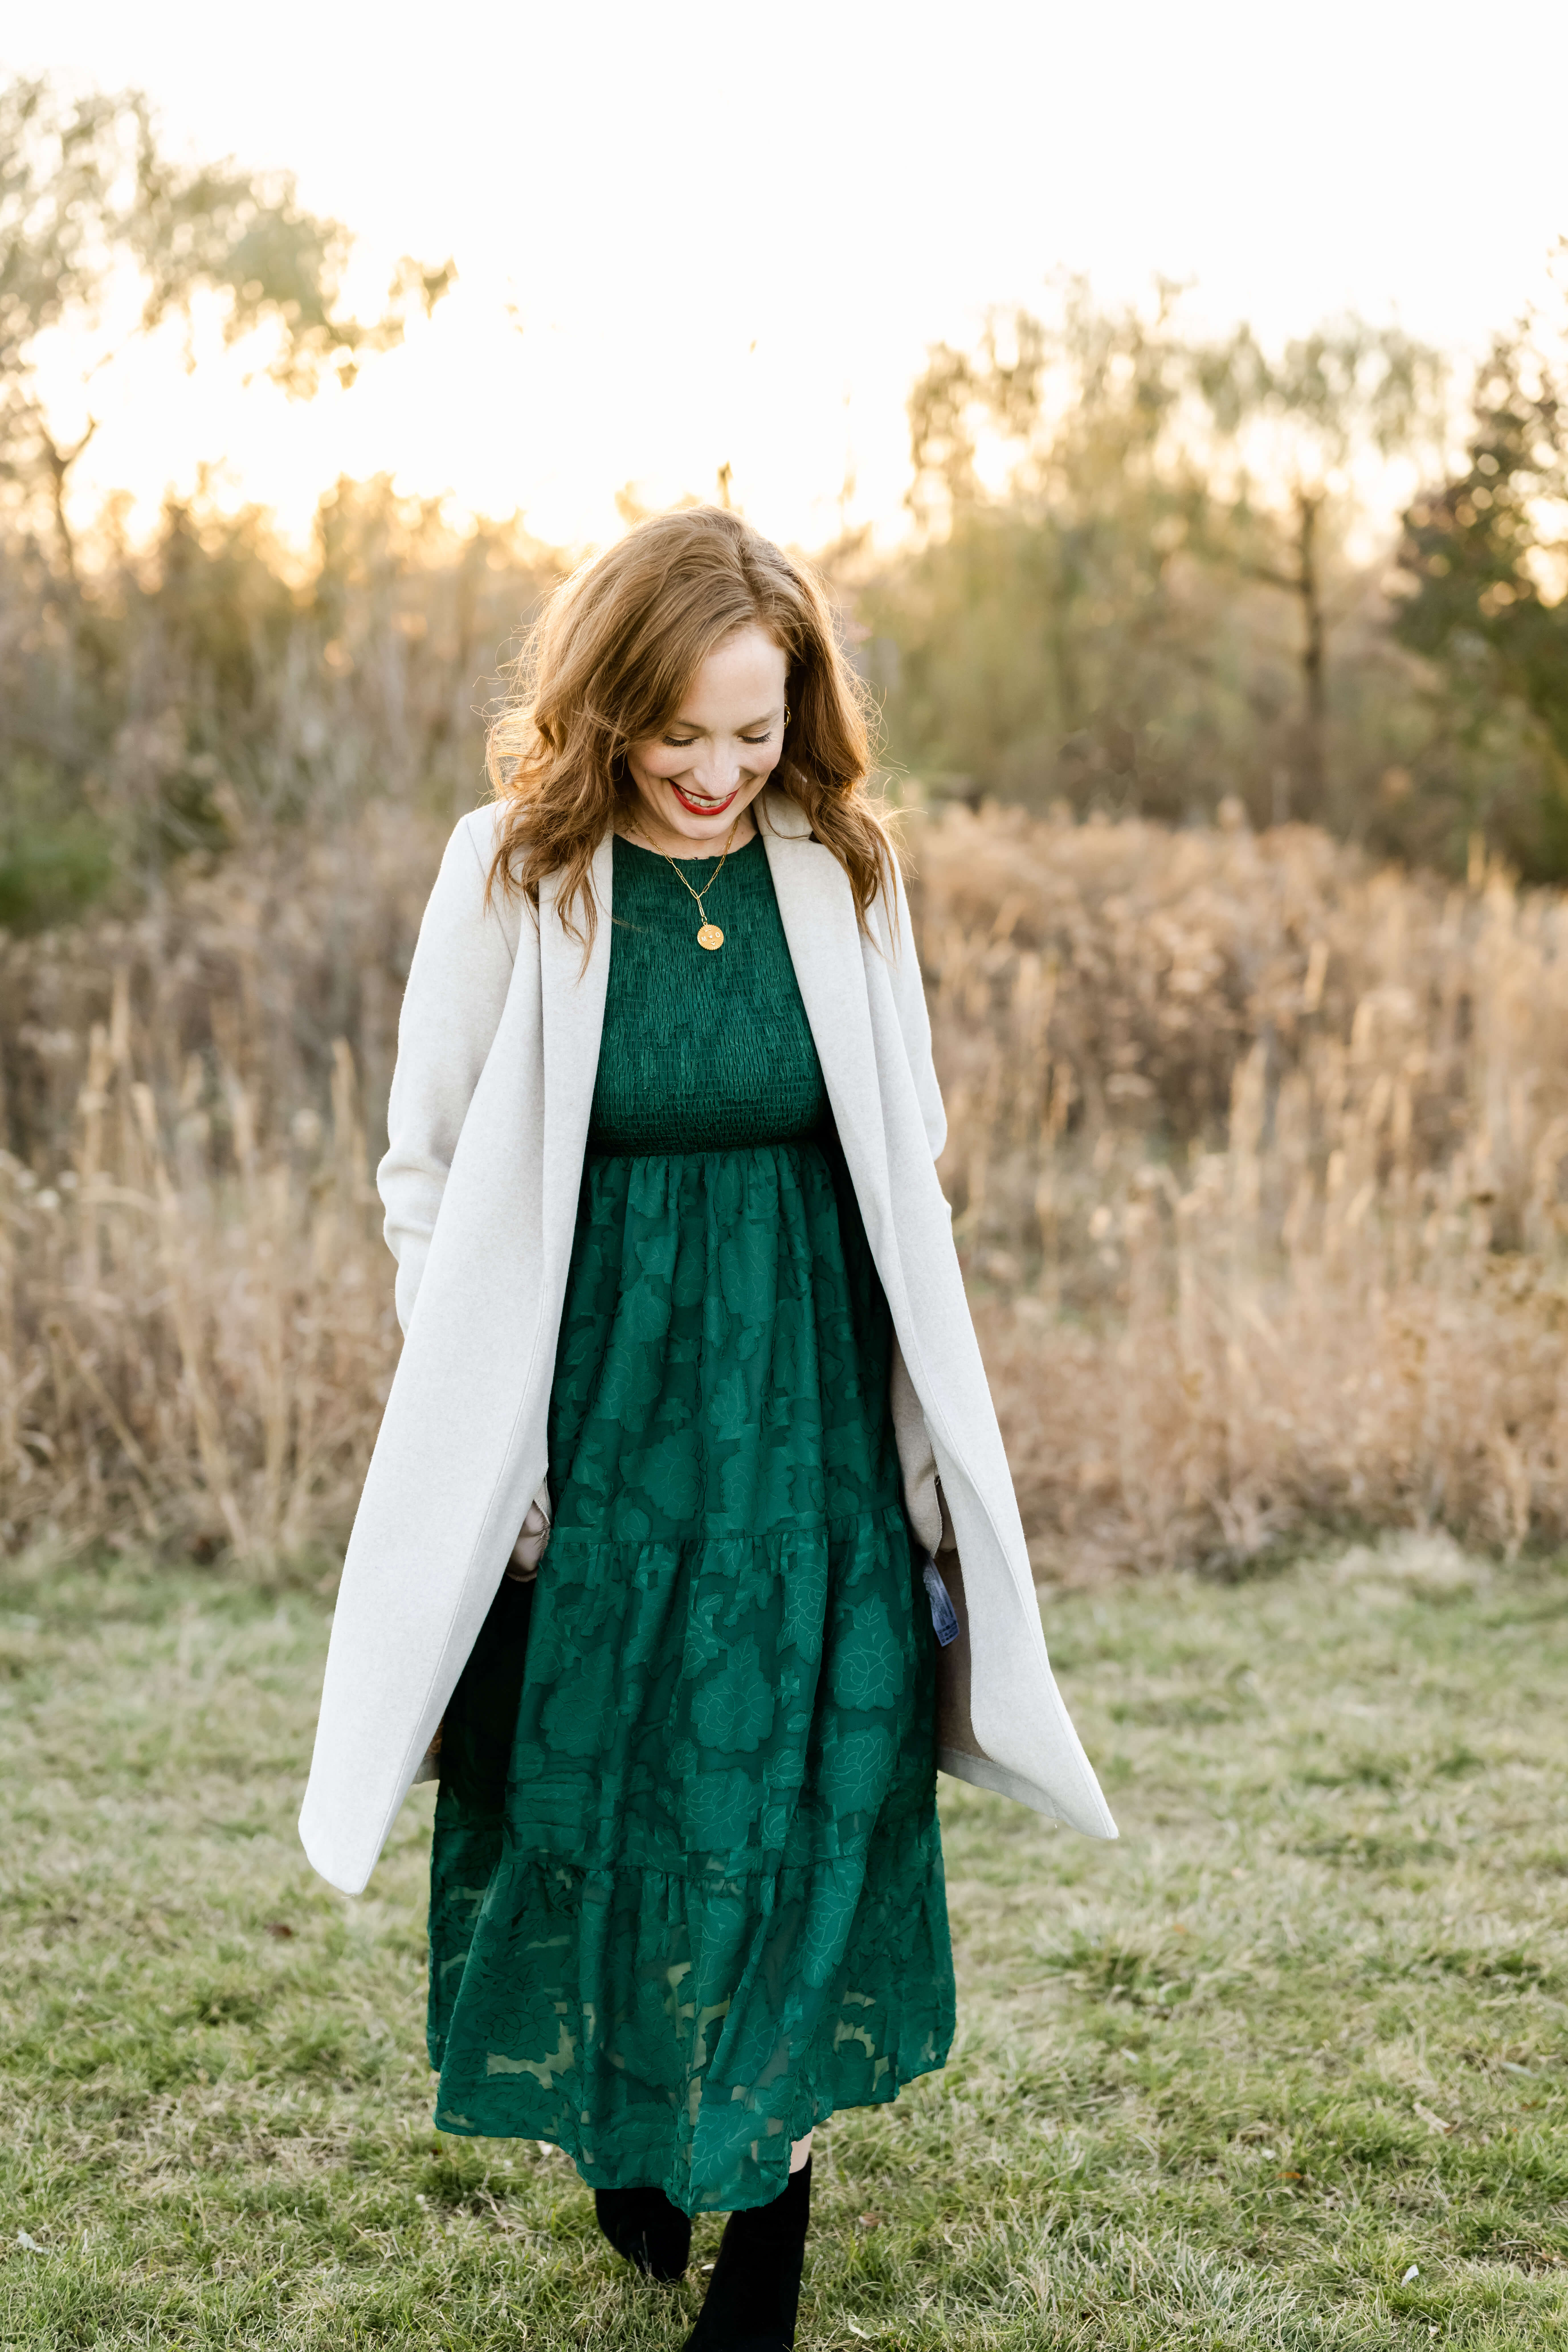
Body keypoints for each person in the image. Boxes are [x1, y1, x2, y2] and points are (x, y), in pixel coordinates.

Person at [299, 507, 1115, 2351]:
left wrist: (918, 1441)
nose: (719, 770)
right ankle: (634, 2146)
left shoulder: (847, 870)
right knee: (597, 1784)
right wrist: (488, 1442)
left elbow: (903, 1162)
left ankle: (769, 2218)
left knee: (807, 1784)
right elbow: (425, 1171)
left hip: (808, 1405)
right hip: (593, 1415)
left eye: (756, 732)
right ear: (605, 710)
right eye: (683, 732)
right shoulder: (514, 874)